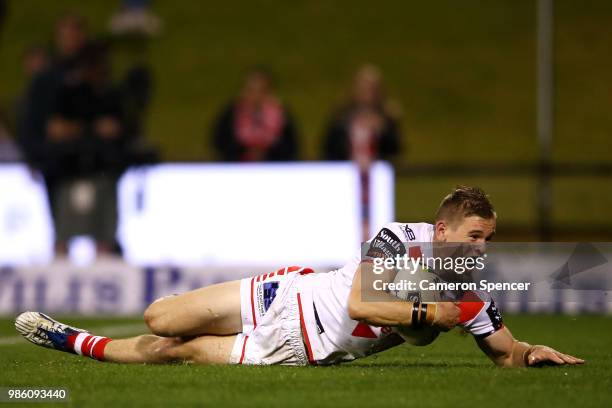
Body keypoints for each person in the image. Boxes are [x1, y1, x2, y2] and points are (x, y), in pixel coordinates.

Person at [15, 186, 584, 367]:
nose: (481, 250)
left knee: (173, 351)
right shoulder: (398, 238)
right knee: (159, 317)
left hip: (296, 347)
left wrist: (532, 351)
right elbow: (363, 303)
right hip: (291, 293)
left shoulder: (467, 292)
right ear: (441, 229)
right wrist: (431, 315)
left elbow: (504, 352)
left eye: (488, 241)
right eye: (474, 238)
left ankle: (70, 341)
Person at [323, 65, 401, 168]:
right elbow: (329, 146)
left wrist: (385, 129)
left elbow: (396, 151)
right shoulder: (341, 116)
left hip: (377, 171)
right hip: (346, 169)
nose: (367, 93)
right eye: (363, 88)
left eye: (371, 88)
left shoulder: (386, 118)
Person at [212, 68, 298, 162]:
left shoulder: (281, 114)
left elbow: (291, 145)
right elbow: (219, 142)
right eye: (251, 90)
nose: (256, 95)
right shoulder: (232, 113)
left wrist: (266, 152)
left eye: (261, 91)